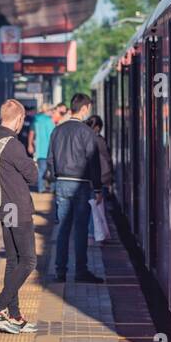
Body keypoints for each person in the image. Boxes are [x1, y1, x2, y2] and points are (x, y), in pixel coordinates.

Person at [0, 99, 39, 333]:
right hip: (18, 207)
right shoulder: (13, 146)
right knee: (28, 261)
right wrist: (32, 164)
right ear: (18, 119)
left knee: (14, 260)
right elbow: (32, 176)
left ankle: (14, 316)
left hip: (5, 208)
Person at [46, 93, 104, 284]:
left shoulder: (57, 131)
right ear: (85, 108)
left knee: (62, 230)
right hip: (81, 184)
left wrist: (56, 177)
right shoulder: (87, 133)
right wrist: (97, 189)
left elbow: (50, 159)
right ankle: (81, 271)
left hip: (62, 183)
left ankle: (60, 272)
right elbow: (93, 162)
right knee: (80, 230)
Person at [87, 114, 114, 244]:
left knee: (93, 207)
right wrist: (109, 178)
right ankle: (95, 235)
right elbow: (107, 161)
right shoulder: (99, 141)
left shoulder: (84, 138)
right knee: (97, 208)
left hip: (88, 178)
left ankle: (93, 234)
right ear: (97, 127)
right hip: (100, 178)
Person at [28, 102, 55, 193]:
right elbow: (53, 135)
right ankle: (53, 189)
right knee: (52, 170)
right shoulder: (49, 120)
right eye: (51, 110)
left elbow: (31, 133)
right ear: (47, 110)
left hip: (40, 150)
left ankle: (41, 188)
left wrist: (30, 144)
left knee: (41, 170)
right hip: (49, 149)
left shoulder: (36, 119)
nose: (52, 112)